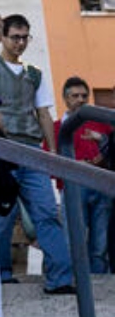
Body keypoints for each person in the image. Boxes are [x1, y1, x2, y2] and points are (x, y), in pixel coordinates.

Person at [0, 14, 75, 293]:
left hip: (32, 149)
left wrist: (51, 154)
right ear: (3, 37)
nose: (21, 43)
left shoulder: (34, 73)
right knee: (2, 214)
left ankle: (59, 279)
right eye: (15, 37)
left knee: (47, 212)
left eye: (25, 37)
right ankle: (1, 274)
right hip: (1, 148)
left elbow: (44, 114)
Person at [54, 76, 113, 273]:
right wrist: (72, 165)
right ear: (65, 99)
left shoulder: (102, 124)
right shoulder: (56, 128)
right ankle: (76, 282)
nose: (80, 99)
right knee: (73, 239)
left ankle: (101, 285)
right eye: (75, 96)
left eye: (84, 96)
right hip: (73, 187)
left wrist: (103, 155)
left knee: (100, 243)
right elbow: (47, 161)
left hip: (100, 185)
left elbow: (112, 152)